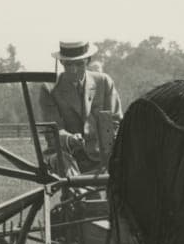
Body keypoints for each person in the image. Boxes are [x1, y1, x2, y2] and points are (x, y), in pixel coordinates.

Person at [37, 40, 123, 174]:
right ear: (61, 62)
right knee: (66, 166)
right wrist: (69, 139)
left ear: (88, 60)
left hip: (101, 154)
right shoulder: (49, 89)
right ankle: (79, 194)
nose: (73, 70)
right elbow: (53, 131)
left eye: (79, 64)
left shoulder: (104, 82)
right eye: (69, 64)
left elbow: (115, 121)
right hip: (64, 154)